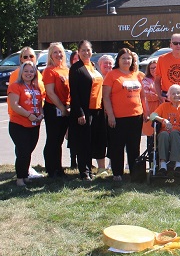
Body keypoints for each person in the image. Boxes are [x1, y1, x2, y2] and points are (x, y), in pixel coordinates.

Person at [102, 48, 146, 182]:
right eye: (123, 58)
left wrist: (146, 112)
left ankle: (134, 172)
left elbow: (143, 96)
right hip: (118, 118)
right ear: (118, 60)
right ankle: (117, 173)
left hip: (136, 116)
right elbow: (106, 97)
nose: (126, 61)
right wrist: (110, 115)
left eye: (129, 58)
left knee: (134, 146)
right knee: (117, 146)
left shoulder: (138, 75)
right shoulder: (112, 75)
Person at [69, 40, 106, 181]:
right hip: (84, 111)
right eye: (83, 50)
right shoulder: (76, 69)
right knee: (83, 143)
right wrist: (80, 112)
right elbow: (74, 93)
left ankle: (92, 169)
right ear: (78, 52)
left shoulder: (93, 66)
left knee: (93, 142)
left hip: (97, 110)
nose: (86, 52)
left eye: (88, 50)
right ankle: (84, 172)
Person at [8, 61, 44, 186]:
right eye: (26, 71)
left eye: (32, 71)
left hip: (34, 125)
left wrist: (41, 114)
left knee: (28, 151)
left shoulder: (36, 87)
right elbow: (14, 105)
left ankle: (25, 175)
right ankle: (19, 179)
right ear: (21, 72)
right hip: (19, 124)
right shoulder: (15, 86)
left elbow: (40, 104)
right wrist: (29, 115)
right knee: (23, 151)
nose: (29, 73)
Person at [150, 84, 180, 175]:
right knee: (163, 134)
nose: (176, 95)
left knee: (174, 133)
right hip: (166, 132)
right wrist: (163, 120)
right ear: (169, 96)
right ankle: (163, 165)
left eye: (178, 93)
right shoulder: (164, 106)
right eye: (173, 94)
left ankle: (178, 164)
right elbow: (152, 116)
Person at [42, 42, 70, 178]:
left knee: (59, 140)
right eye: (55, 52)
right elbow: (50, 93)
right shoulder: (49, 71)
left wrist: (67, 107)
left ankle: (58, 168)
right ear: (50, 55)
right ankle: (51, 169)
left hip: (65, 108)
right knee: (53, 139)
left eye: (60, 52)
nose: (58, 55)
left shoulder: (66, 70)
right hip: (53, 109)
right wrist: (62, 108)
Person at [142, 58, 160, 153]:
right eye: (151, 68)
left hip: (162, 113)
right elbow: (147, 95)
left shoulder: (163, 80)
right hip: (150, 112)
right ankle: (152, 164)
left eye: (156, 68)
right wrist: (161, 96)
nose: (153, 70)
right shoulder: (145, 81)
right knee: (151, 140)